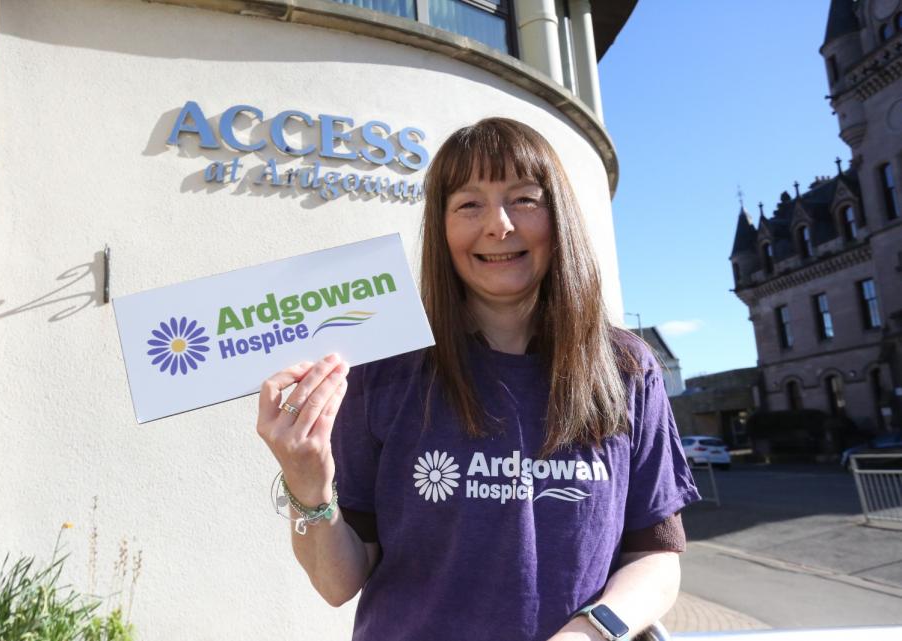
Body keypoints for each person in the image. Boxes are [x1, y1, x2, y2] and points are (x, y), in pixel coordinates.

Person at [255, 117, 701, 641]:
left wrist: (590, 632)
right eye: (469, 204)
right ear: (441, 229)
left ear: (558, 217)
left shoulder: (625, 368)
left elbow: (657, 555)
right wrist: (307, 484)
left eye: (524, 199)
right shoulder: (385, 368)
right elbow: (338, 583)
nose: (499, 225)